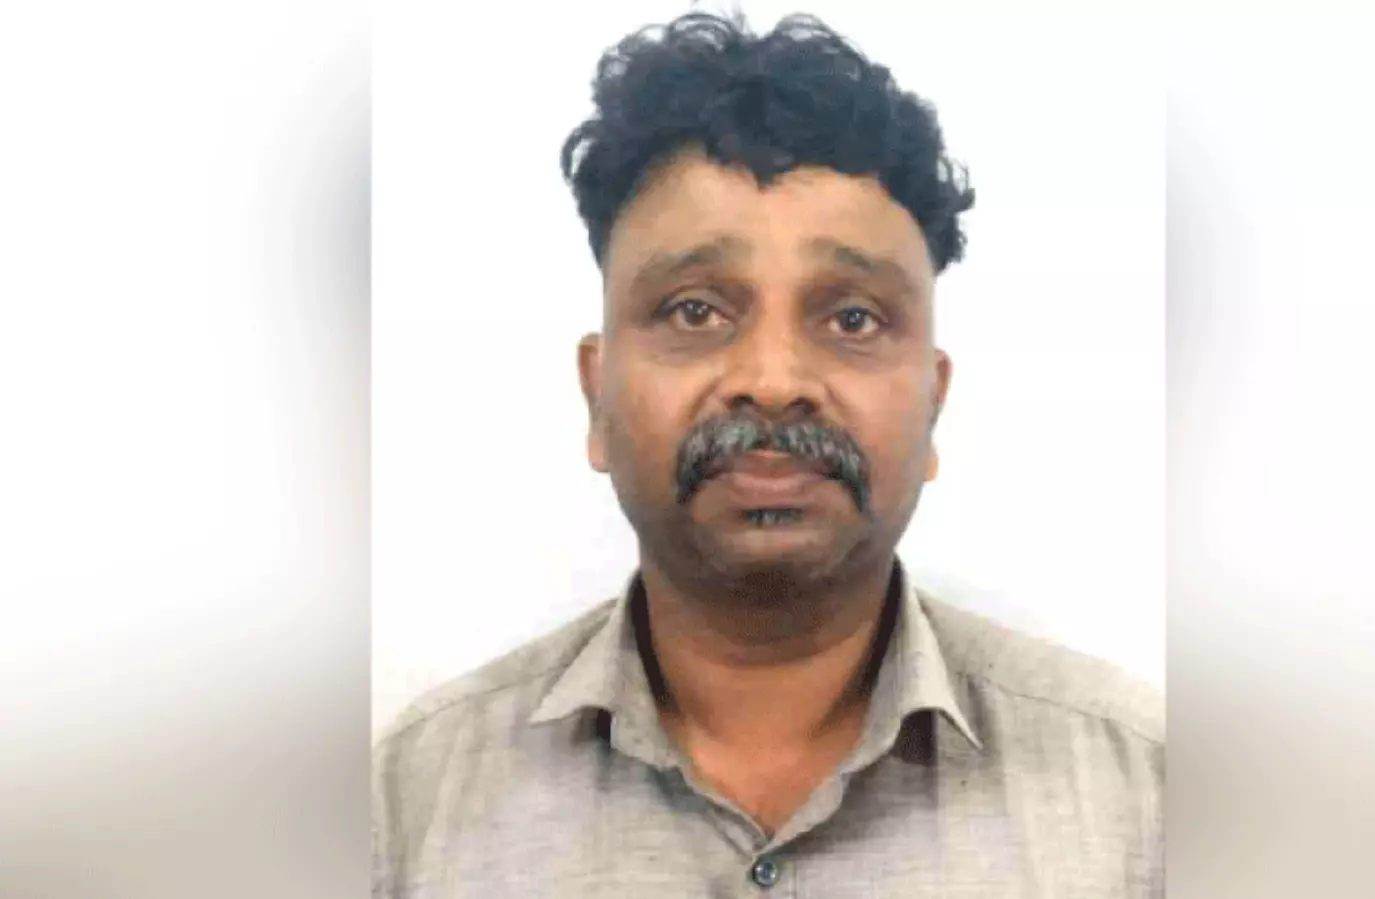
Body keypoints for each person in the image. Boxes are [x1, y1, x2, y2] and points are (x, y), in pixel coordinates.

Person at [372, 11, 1162, 897]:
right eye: (695, 310)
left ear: (934, 404)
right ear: (597, 396)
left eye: (853, 317)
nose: (774, 380)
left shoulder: (1144, 796)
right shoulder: (408, 804)